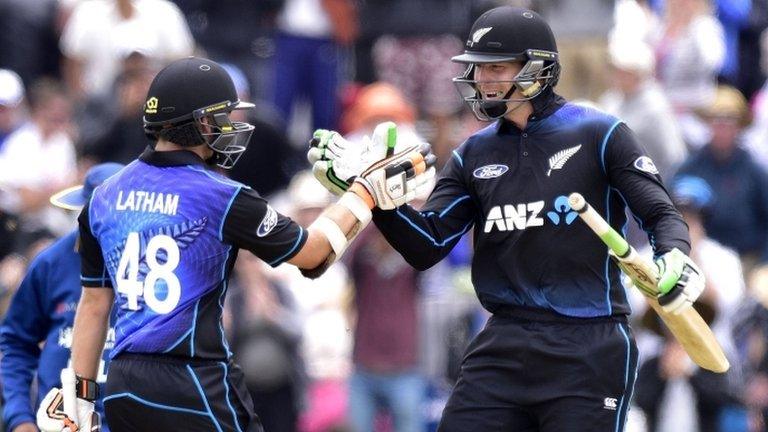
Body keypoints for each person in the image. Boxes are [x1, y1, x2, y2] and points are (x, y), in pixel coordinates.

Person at [309, 6, 707, 431]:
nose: (482, 80)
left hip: (588, 343)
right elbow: (426, 246)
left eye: (495, 68)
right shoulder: (473, 153)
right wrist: (374, 199)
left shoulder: (600, 133)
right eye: (477, 69)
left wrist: (676, 256)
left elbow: (660, 212)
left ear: (538, 67)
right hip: (504, 342)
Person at [34, 56, 434, 432]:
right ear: (199, 124)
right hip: (192, 378)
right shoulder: (221, 194)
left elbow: (93, 306)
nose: (229, 126)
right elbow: (313, 255)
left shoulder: (103, 195)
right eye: (221, 117)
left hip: (121, 383)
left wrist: (81, 396)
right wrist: (363, 193)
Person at [0, 162, 123, 432]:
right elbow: (16, 342)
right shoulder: (51, 263)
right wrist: (19, 418)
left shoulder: (155, 266)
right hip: (58, 423)